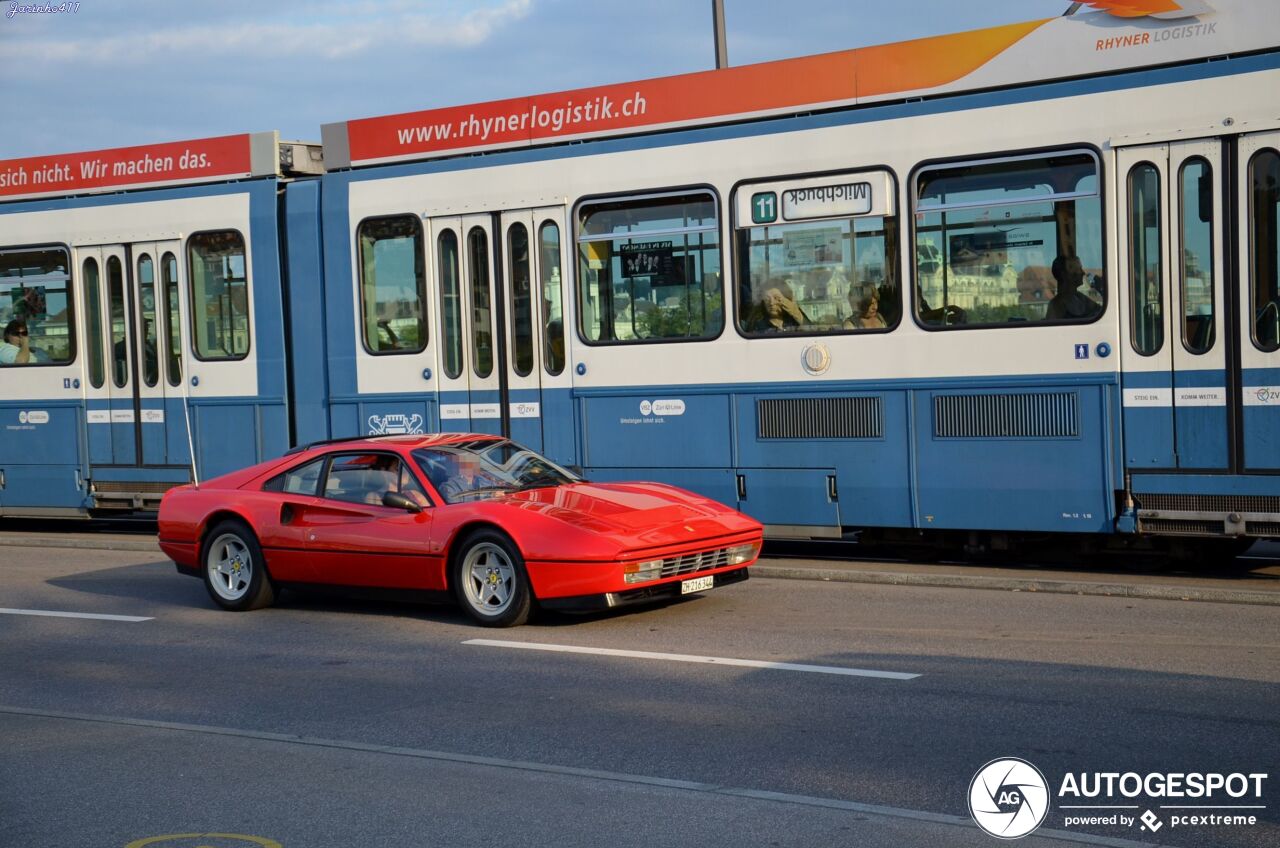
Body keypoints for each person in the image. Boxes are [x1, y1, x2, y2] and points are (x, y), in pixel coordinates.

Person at [1046, 255, 1101, 321]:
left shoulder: (1079, 297)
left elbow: (1099, 310)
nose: (1083, 273)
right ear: (1065, 274)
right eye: (1079, 269)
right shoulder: (1057, 305)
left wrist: (1100, 288)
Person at [438, 452, 504, 503]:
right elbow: (457, 511)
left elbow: (497, 491)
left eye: (474, 459)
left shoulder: (484, 480)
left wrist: (498, 494)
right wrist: (489, 498)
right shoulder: (448, 487)